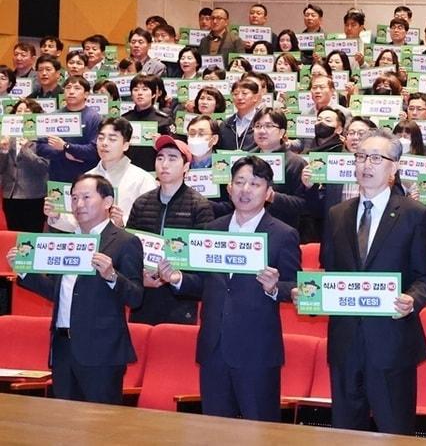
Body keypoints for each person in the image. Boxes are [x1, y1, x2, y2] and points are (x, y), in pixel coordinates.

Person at [158, 156, 300, 421]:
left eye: (255, 184)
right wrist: (177, 278)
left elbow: (295, 287)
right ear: (229, 187)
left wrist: (274, 288)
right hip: (214, 348)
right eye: (240, 182)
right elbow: (203, 283)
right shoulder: (212, 229)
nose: (246, 190)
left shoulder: (283, 234)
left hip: (257, 352)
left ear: (268, 192)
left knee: (260, 432)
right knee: (215, 431)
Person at [316, 128, 426, 434]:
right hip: (345, 343)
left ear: (394, 167)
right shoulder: (337, 214)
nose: (365, 164)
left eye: (375, 158)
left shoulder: (414, 214)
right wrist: (310, 294)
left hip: (391, 343)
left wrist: (412, 300)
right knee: (345, 433)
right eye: (360, 157)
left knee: (395, 431)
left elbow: (425, 278)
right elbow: (329, 271)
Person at [9, 175, 143, 404]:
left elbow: (136, 296)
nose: (79, 204)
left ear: (108, 201)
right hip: (63, 348)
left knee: (101, 422)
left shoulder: (125, 241)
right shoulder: (65, 242)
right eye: (74, 198)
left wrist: (112, 276)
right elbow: (56, 291)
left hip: (101, 353)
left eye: (86, 197)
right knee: (64, 420)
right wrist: (24, 272)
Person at [127, 136, 215, 325]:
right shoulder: (141, 203)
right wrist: (139, 277)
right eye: (160, 158)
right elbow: (129, 252)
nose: (164, 164)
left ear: (186, 167)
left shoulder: (199, 206)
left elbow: (204, 264)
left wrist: (176, 278)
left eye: (172, 158)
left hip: (180, 303)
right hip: (143, 299)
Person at [0, 98, 49, 231]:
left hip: (33, 196)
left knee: (32, 234)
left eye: (27, 111)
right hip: (10, 195)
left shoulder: (43, 138)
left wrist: (25, 150)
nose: (21, 114)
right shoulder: (6, 137)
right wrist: (3, 151)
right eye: (19, 111)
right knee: (14, 235)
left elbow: (44, 168)